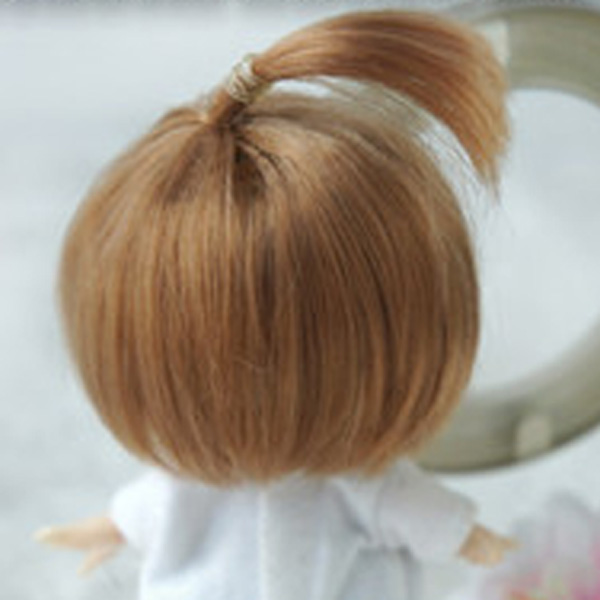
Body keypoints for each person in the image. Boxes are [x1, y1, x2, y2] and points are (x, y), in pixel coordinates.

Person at [36, 8, 515, 599]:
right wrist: (108, 528)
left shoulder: (358, 488)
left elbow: (416, 513)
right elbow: (148, 507)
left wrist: (485, 543)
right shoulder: (187, 488)